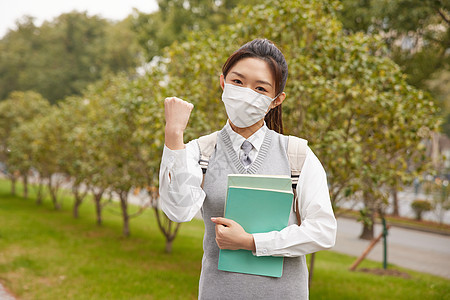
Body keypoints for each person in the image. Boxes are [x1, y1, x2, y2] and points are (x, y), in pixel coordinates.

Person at [159, 38, 337, 299]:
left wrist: (252, 243)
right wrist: (174, 136)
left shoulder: (297, 155)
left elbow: (323, 232)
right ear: (223, 83)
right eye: (238, 82)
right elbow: (177, 210)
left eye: (260, 88)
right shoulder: (202, 151)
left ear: (276, 100)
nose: (246, 93)